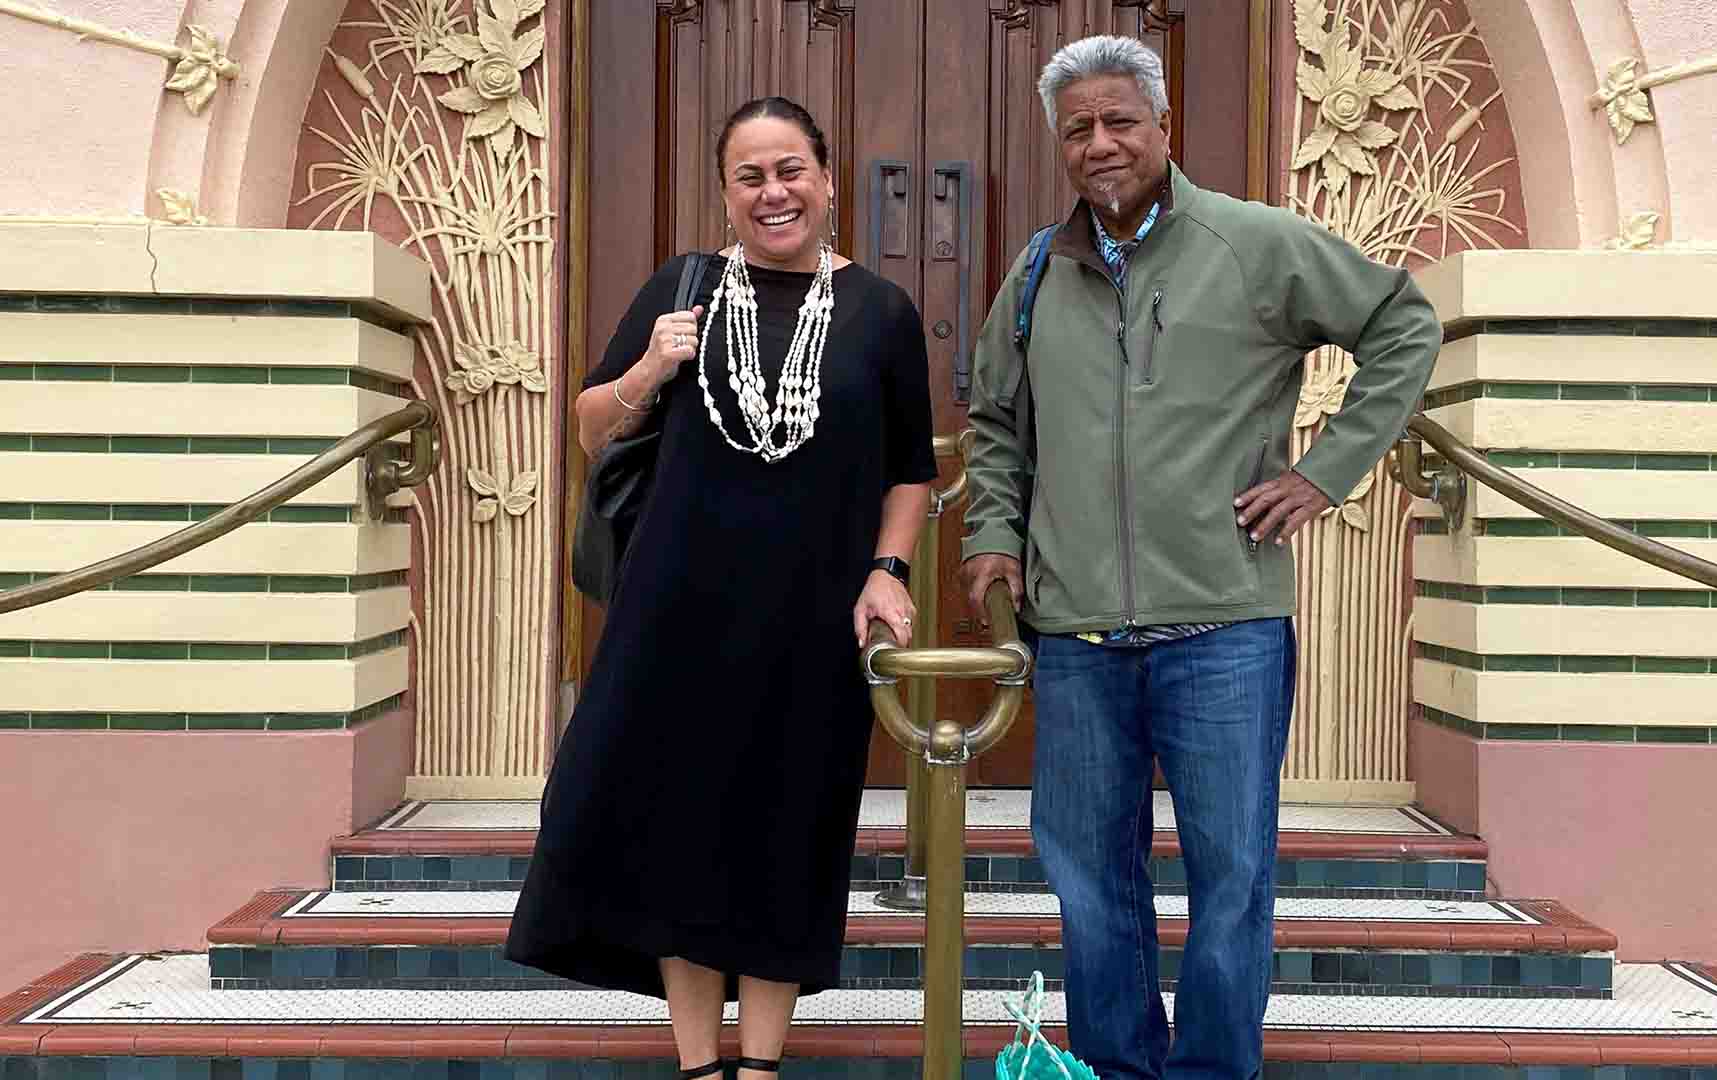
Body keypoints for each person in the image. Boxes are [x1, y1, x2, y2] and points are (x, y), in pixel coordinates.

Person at [961, 35, 1441, 1080]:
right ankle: (1116, 1069)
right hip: (1078, 636)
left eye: (1120, 120)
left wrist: (1325, 472)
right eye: (1079, 129)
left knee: (1231, 883)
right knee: (1091, 884)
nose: (1100, 143)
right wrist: (993, 533)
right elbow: (995, 421)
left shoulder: (1253, 243)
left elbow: (1403, 323)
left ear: (1163, 127)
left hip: (1225, 630)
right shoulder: (1037, 272)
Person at [506, 97, 937, 1080]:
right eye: (750, 177)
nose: (773, 193)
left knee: (789, 828)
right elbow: (591, 429)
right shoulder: (685, 287)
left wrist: (888, 570)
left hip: (811, 620)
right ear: (726, 195)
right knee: (679, 830)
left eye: (790, 171)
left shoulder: (880, 312)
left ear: (826, 179)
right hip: (676, 613)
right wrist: (649, 368)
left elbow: (910, 471)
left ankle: (763, 1063)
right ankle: (701, 1065)